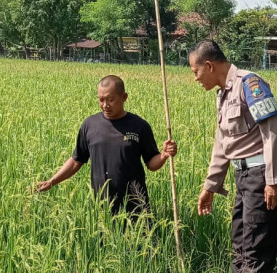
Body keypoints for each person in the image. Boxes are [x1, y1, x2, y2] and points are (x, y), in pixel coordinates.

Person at [190, 39, 277, 273]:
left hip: (261, 175)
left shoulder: (251, 84)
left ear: (209, 66)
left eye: (195, 71)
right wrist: (211, 185)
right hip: (242, 176)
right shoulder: (223, 94)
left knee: (256, 242)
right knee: (240, 239)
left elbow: (274, 131)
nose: (195, 78)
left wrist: (274, 180)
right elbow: (223, 144)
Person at [35, 75, 177, 217]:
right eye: (101, 99)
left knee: (140, 238)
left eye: (110, 99)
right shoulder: (89, 125)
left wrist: (164, 155)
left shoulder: (139, 126)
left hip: (135, 205)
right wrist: (52, 181)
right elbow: (76, 161)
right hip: (102, 207)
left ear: (124, 97)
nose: (105, 105)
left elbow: (152, 164)